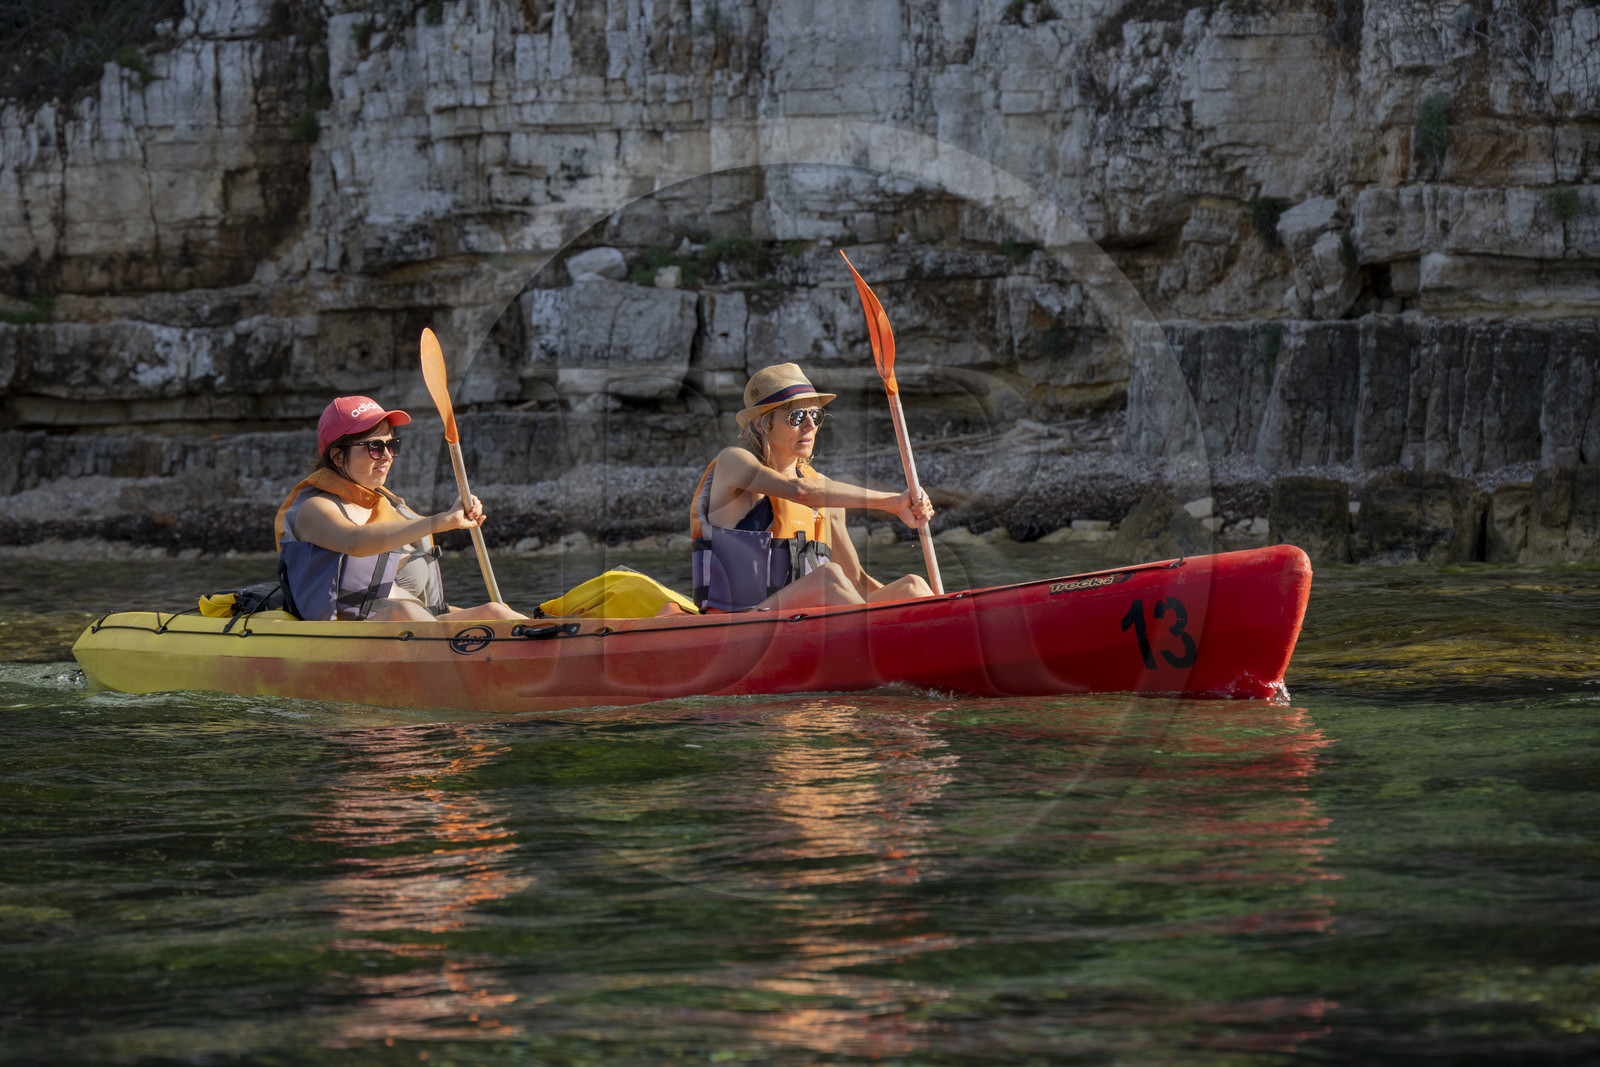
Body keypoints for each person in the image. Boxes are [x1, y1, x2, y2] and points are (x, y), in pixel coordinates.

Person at [690, 363, 936, 612]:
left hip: (801, 624)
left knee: (912, 586)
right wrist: (893, 503)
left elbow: (857, 583)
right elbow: (799, 492)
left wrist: (909, 607)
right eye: (796, 417)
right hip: (742, 623)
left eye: (815, 415)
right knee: (828, 576)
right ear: (761, 424)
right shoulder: (732, 463)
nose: (809, 426)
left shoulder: (827, 494)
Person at [274, 396, 526, 623]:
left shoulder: (393, 508)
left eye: (391, 445)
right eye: (374, 447)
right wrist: (441, 521)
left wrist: (458, 514)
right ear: (339, 457)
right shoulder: (315, 508)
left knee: (496, 611)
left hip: (417, 626)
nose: (387, 456)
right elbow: (355, 541)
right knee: (404, 613)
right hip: (352, 636)